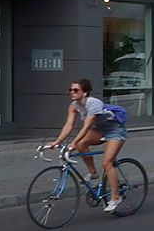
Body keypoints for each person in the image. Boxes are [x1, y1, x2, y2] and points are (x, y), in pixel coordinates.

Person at [49, 78, 127, 212]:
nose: (72, 92)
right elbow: (69, 125)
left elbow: (86, 126)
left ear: (85, 92)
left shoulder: (93, 104)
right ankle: (92, 172)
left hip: (115, 130)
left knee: (107, 163)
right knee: (81, 144)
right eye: (70, 90)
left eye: (75, 90)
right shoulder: (74, 105)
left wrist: (72, 144)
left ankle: (115, 197)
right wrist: (57, 141)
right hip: (100, 129)